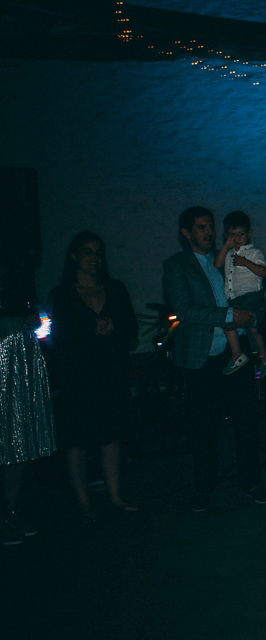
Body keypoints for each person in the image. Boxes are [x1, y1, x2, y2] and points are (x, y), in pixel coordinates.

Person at [162, 207, 266, 512]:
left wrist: (252, 310)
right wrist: (228, 315)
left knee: (246, 421)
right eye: (200, 228)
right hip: (202, 357)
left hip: (233, 351)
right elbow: (184, 310)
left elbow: (249, 286)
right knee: (203, 427)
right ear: (186, 233)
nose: (208, 232)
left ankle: (251, 481)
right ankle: (203, 487)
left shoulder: (223, 259)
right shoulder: (176, 265)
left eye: (211, 226)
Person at [48, 231, 139, 523]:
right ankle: (84, 502)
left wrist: (113, 328)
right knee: (77, 439)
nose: (94, 258)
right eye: (87, 252)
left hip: (110, 372)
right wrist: (90, 332)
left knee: (110, 435)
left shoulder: (115, 289)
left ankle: (114, 496)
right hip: (77, 376)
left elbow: (131, 329)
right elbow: (59, 336)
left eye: (98, 252)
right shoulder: (62, 294)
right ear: (75, 256)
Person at [1, 260, 56, 544]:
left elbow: (39, 316)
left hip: (19, 355)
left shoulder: (16, 272)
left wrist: (36, 321)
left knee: (16, 435)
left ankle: (10, 510)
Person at [214, 210, 266, 377]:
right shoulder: (228, 253)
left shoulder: (254, 253)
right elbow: (217, 264)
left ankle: (237, 354)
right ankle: (265, 357)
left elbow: (263, 272)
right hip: (235, 297)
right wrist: (226, 247)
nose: (237, 238)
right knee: (253, 330)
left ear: (249, 234)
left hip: (250, 295)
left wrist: (246, 262)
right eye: (232, 235)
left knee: (228, 321)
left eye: (241, 234)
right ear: (226, 235)